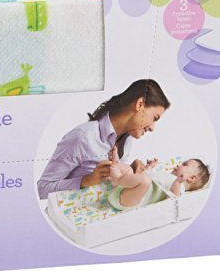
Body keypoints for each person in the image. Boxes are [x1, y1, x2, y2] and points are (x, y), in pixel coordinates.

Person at [37, 79, 170, 200]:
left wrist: (129, 170)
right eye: (155, 118)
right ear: (140, 104)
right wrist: (86, 180)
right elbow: (41, 190)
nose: (152, 128)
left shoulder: (127, 139)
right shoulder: (83, 137)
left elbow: (110, 183)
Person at [107, 145, 210, 209]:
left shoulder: (179, 187)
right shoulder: (167, 176)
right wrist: (149, 168)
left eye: (184, 165)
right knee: (129, 170)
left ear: (191, 178)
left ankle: (117, 179)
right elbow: (146, 177)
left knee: (145, 181)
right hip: (125, 189)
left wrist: (178, 182)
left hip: (128, 201)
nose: (179, 165)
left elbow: (173, 199)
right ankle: (116, 165)